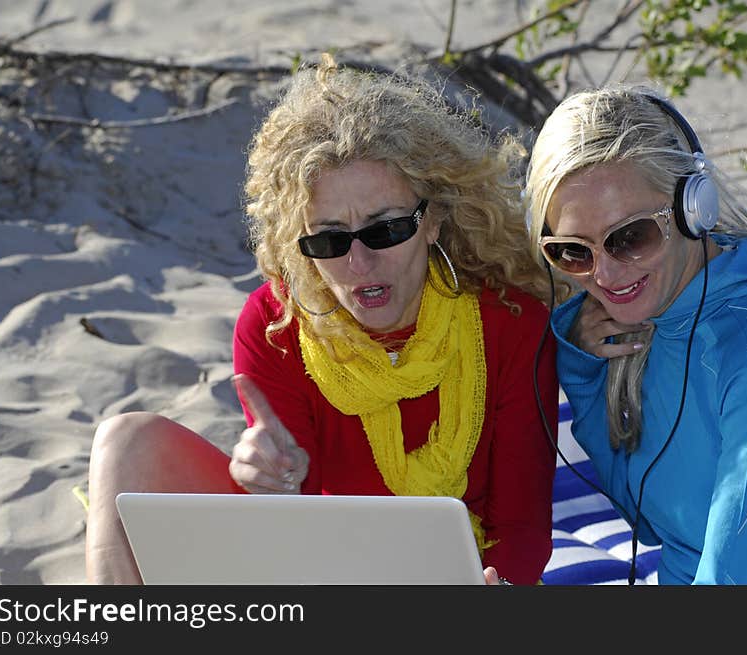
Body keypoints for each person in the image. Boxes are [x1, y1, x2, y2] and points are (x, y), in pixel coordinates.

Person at [85, 54, 560, 585]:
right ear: (300, 245)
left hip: (457, 573)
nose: (359, 264)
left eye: (384, 230)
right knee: (127, 442)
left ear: (435, 220)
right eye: (329, 239)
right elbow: (295, 530)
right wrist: (266, 479)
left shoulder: (511, 322)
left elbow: (521, 528)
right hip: (318, 567)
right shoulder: (274, 325)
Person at [524, 85, 747, 584]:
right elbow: (645, 515)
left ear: (693, 208)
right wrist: (584, 369)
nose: (605, 275)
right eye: (573, 252)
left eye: (630, 237)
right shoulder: (653, 319)